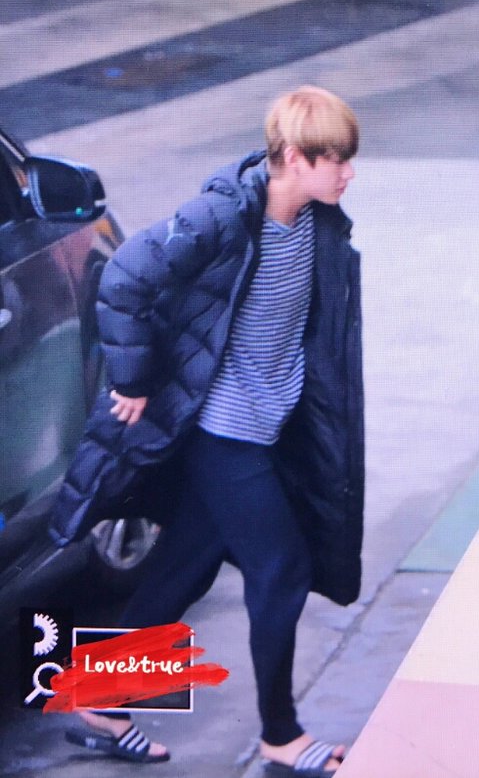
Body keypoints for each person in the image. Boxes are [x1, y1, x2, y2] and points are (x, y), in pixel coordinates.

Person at [52, 85, 364, 777]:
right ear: (294, 157)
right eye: (336, 160)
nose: (348, 173)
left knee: (185, 566)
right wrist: (132, 380)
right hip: (223, 428)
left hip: (269, 422)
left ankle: (99, 698)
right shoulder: (221, 217)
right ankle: (281, 735)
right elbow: (124, 279)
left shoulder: (317, 222)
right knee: (281, 570)